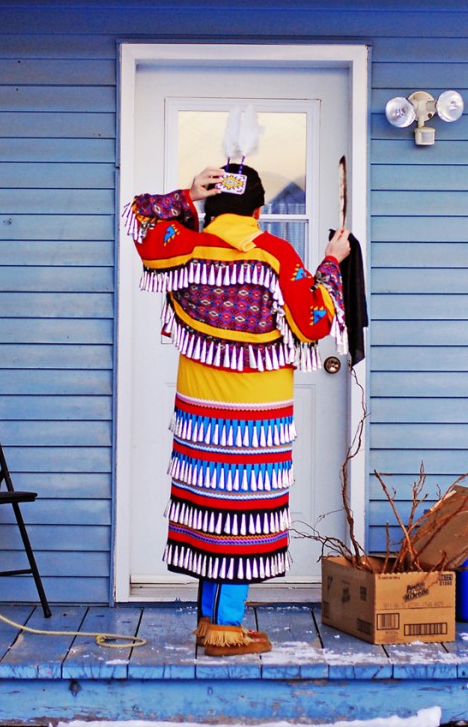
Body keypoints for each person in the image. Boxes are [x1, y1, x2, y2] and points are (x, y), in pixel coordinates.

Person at [123, 163, 351, 656]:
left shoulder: (184, 247)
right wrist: (332, 262)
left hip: (198, 415)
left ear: (213, 204)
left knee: (210, 511)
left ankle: (208, 623)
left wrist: (187, 194)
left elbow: (139, 216)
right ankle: (228, 628)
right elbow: (314, 321)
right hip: (256, 419)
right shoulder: (275, 254)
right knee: (243, 516)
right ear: (259, 210)